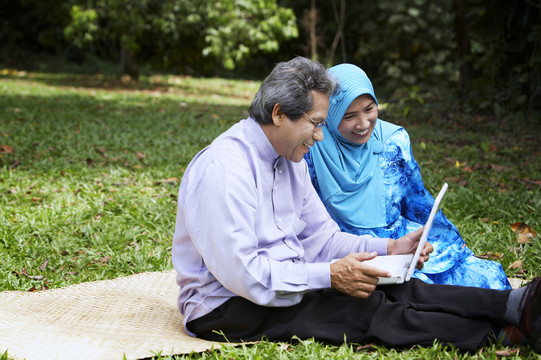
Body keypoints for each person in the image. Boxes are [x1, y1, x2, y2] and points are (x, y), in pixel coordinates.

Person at [172, 56, 540, 353]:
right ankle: (503, 333)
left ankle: (514, 304)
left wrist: (389, 249)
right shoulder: (225, 169)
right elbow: (246, 276)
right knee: (364, 308)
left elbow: (323, 239)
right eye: (316, 123)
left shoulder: (289, 158)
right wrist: (328, 276)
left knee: (390, 285)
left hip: (286, 280)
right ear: (279, 113)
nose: (320, 136)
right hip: (225, 305)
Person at [305, 63, 511, 290]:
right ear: (330, 114)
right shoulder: (312, 147)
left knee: (486, 279)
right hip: (348, 250)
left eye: (369, 109)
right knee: (420, 290)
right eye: (349, 115)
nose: (363, 124)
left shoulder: (394, 140)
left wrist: (448, 243)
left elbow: (417, 200)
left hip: (400, 238)